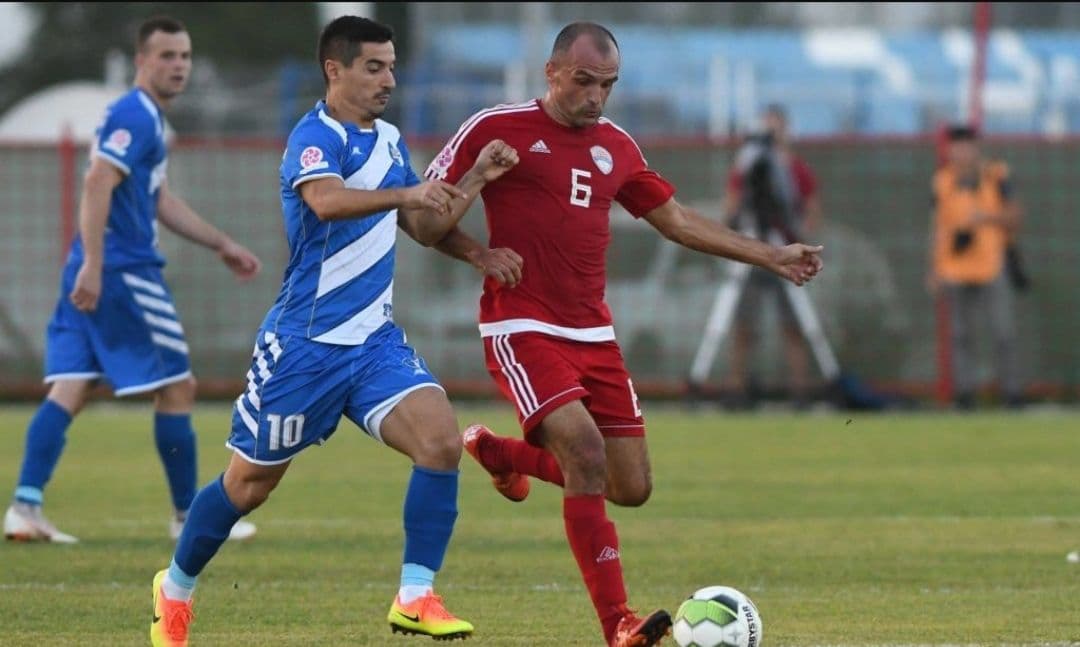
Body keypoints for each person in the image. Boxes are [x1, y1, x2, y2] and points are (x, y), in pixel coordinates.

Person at [425, 22, 823, 647]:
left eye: (607, 85)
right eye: (584, 82)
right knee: (583, 453)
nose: (595, 97)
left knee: (628, 486)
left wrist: (769, 255)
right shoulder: (494, 127)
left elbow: (677, 220)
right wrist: (479, 251)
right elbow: (422, 219)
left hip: (593, 334)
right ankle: (620, 625)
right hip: (521, 323)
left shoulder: (617, 145)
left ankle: (500, 453)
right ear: (552, 72)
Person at [148, 16, 521, 647]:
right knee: (249, 485)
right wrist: (406, 196)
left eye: (393, 66)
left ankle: (415, 595)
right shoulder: (313, 137)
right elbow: (325, 201)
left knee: (439, 442)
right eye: (374, 67)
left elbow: (424, 221)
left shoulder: (390, 140)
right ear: (335, 69)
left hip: (373, 346)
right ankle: (174, 589)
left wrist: (477, 201)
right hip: (305, 348)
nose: (388, 80)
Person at [3, 16, 261, 545]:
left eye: (185, 56)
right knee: (178, 387)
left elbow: (156, 199)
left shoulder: (142, 120)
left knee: (69, 388)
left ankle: (25, 507)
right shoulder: (135, 115)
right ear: (142, 61)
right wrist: (97, 264)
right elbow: (98, 179)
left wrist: (220, 243)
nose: (179, 66)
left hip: (95, 268)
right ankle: (189, 515)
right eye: (167, 56)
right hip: (123, 272)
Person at [722, 103, 823, 409]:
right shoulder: (747, 169)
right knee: (743, 324)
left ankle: (800, 390)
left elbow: (812, 212)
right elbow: (731, 208)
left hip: (786, 250)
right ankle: (737, 389)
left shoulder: (797, 170)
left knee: (793, 325)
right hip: (754, 250)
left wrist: (798, 236)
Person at [927, 124, 1024, 409]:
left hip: (991, 264)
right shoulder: (942, 181)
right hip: (955, 268)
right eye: (956, 145)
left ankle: (1012, 394)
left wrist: (985, 217)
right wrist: (933, 267)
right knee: (960, 336)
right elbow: (936, 227)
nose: (961, 151)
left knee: (1003, 332)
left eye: (967, 145)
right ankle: (965, 396)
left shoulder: (996, 175)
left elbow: (1016, 216)